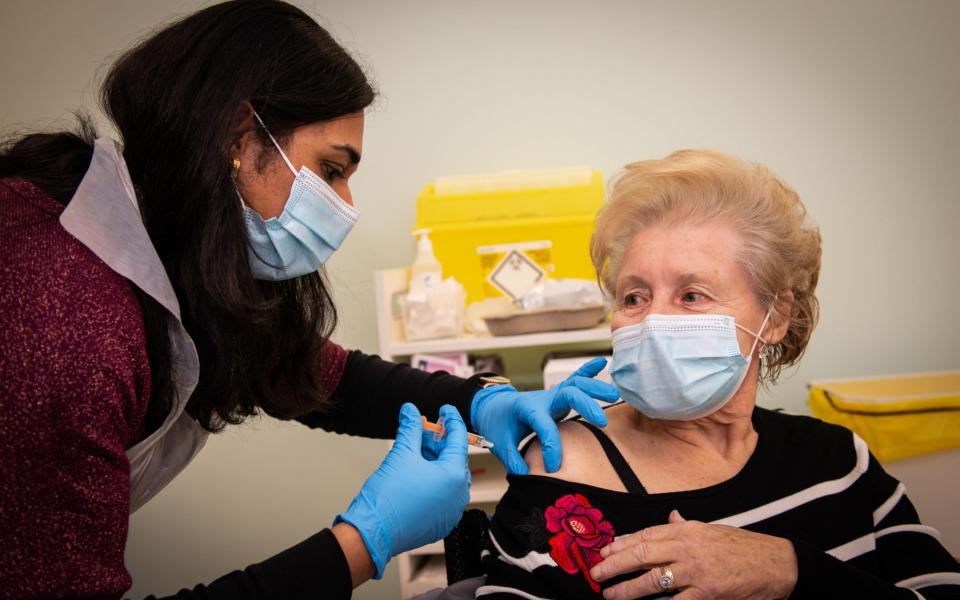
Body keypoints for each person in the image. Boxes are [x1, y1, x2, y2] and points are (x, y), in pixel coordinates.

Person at [0, 2, 619, 598]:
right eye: (330, 170)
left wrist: (480, 402)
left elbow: (310, 372)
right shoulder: (62, 318)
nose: (346, 206)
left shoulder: (162, 248)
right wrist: (362, 543)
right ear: (239, 138)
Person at [476, 150, 960, 599]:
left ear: (775, 317)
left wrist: (791, 570)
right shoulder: (561, 471)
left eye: (692, 295)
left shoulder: (837, 461)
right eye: (634, 297)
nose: (654, 322)